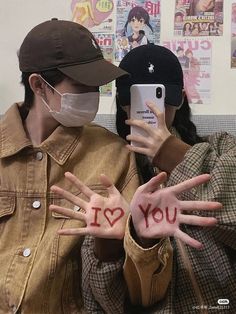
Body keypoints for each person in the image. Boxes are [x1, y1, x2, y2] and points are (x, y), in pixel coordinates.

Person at [0, 19, 220, 314]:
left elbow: (126, 294)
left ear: (180, 98)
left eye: (97, 84)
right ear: (39, 85)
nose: (93, 93)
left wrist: (124, 242)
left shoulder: (113, 154)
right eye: (82, 84)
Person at [115, 44, 236, 312]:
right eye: (137, 98)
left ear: (180, 98)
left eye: (160, 96)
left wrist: (171, 152)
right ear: (122, 103)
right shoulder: (112, 166)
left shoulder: (223, 148)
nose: (150, 108)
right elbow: (110, 297)